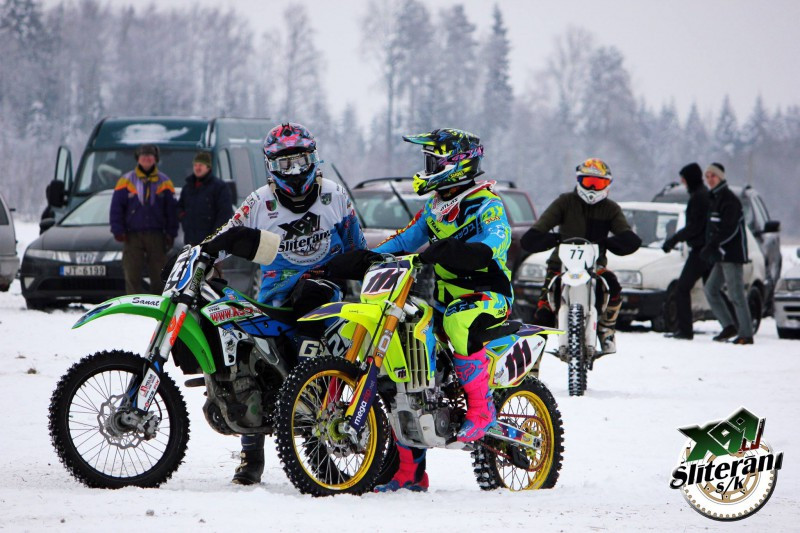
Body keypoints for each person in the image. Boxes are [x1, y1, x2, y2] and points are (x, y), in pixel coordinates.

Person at [200, 123, 366, 485]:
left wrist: (367, 273)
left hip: (323, 296)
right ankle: (250, 456)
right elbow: (229, 234)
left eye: (301, 161)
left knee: (313, 368)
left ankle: (320, 451)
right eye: (285, 164)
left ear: (314, 158)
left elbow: (358, 247)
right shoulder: (260, 202)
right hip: (274, 297)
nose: (295, 171)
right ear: (271, 166)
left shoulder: (334, 196)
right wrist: (202, 254)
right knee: (250, 367)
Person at [355, 128, 513, 492]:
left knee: (459, 319)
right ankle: (409, 473)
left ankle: (482, 410)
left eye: (434, 161)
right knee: (407, 361)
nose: (427, 168)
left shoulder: (487, 203)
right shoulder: (435, 207)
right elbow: (405, 240)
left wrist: (453, 251)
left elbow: (494, 243)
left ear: (457, 165)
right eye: (428, 161)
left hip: (488, 297)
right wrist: (365, 257)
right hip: (443, 301)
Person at [520, 158, 641, 355]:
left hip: (595, 267)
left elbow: (626, 235)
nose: (593, 187)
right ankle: (530, 370)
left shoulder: (611, 209)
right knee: (542, 314)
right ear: (579, 180)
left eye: (598, 183)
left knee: (613, 287)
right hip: (561, 266)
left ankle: (606, 328)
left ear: (607, 185)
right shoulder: (564, 202)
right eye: (588, 181)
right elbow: (537, 229)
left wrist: (611, 242)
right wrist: (553, 238)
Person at [110, 144, 178, 294]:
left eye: (149, 156)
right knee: (132, 273)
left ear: (155, 159)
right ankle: (133, 307)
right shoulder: (126, 181)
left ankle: (159, 305)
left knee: (159, 273)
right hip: (132, 235)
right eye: (143, 156)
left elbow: (172, 211)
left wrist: (171, 233)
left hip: (157, 235)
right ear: (137, 159)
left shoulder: (164, 181)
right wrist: (118, 230)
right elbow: (116, 209)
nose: (146, 159)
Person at [700, 163, 754, 345]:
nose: (709, 179)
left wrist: (714, 245)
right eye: (707, 176)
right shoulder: (714, 198)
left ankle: (746, 333)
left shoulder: (729, 199)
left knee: (736, 294)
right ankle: (729, 326)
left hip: (731, 255)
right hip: (720, 255)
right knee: (710, 289)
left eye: (712, 176)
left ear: (721, 177)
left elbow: (729, 229)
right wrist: (709, 246)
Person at [662, 163, 712, 340]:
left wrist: (674, 239)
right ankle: (733, 326)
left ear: (690, 178)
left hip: (701, 251)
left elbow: (694, 227)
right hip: (705, 250)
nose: (682, 181)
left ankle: (685, 330)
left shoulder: (699, 197)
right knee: (714, 291)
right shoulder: (700, 195)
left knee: (682, 288)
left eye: (684, 178)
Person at [177, 151, 233, 245]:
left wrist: (215, 236)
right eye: (195, 165)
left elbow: (225, 214)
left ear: (208, 167)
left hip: (211, 243)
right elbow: (179, 207)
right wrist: (183, 217)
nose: (197, 168)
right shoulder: (188, 187)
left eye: (201, 165)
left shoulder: (219, 187)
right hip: (190, 242)